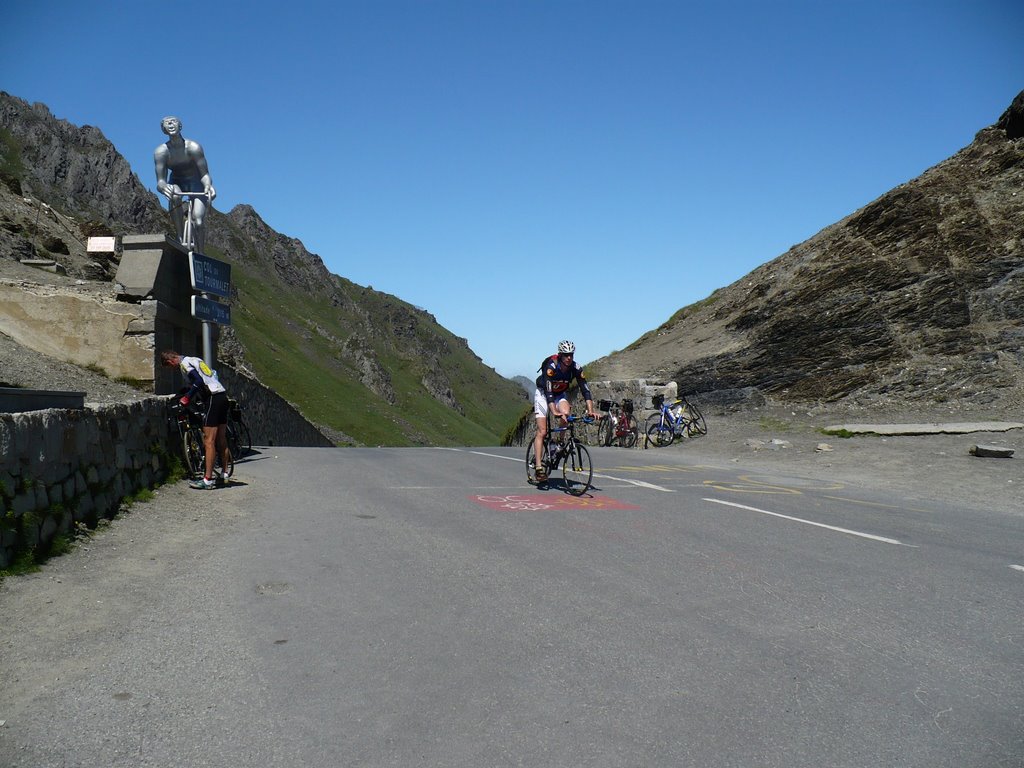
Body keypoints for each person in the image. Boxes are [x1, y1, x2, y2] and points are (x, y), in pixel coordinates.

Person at [161, 350, 231, 489]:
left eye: (169, 367)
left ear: (170, 361)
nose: (172, 369)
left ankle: (207, 480)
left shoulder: (184, 364)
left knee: (208, 440)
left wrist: (187, 397)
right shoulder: (195, 359)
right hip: (222, 395)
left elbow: (198, 381)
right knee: (221, 439)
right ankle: (224, 473)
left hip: (212, 398)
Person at [532, 340, 597, 481]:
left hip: (560, 394)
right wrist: (554, 411)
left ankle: (558, 442)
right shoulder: (551, 366)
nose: (569, 358)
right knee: (542, 431)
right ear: (560, 355)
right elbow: (549, 392)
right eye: (566, 355)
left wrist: (590, 410)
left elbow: (585, 389)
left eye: (571, 355)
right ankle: (538, 467)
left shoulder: (576, 368)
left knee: (566, 413)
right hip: (544, 394)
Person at [153, 116, 216, 254]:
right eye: (166, 123)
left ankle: (200, 253)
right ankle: (180, 237)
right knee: (174, 196)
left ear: (180, 126)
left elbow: (204, 174)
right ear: (163, 129)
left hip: (196, 182)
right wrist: (164, 187)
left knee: (198, 221)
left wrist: (208, 186)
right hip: (177, 181)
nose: (170, 124)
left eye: (173, 121)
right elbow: (160, 181)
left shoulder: (193, 147)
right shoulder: (161, 152)